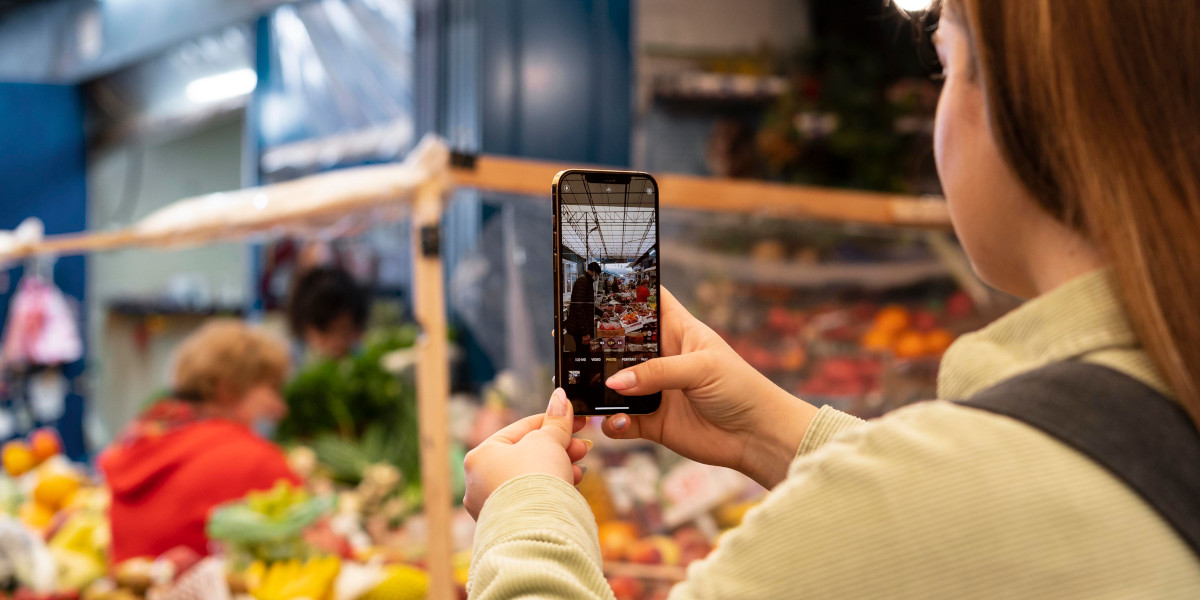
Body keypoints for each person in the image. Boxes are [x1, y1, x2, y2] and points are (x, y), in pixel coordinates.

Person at [462, 1, 1200, 597]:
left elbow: (948, 502)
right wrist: (772, 431)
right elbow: (1010, 498)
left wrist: (526, 508)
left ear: (1024, 105)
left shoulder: (935, 490)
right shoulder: (1161, 391)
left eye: (946, 66)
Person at [100, 320, 300, 563]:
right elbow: (319, 541)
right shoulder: (251, 459)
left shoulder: (140, 438)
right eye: (272, 389)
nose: (280, 408)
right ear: (228, 389)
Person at [287, 266, 369, 361]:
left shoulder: (366, 360)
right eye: (324, 332)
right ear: (304, 329)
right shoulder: (291, 364)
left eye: (345, 332)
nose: (337, 342)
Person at [565, 262, 601, 353]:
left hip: (580, 327)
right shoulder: (583, 281)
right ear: (593, 272)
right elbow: (579, 309)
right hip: (579, 329)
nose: (596, 277)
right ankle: (582, 367)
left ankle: (583, 366)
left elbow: (588, 305)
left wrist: (601, 312)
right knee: (582, 353)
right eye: (596, 274)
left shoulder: (586, 281)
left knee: (583, 353)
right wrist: (585, 332)